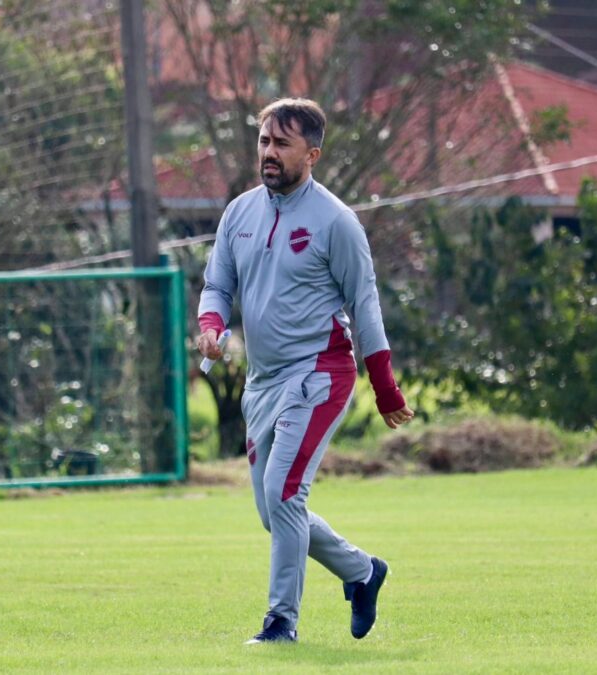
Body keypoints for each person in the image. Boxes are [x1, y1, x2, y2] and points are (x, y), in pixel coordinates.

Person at [196, 98, 414, 645]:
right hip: (262, 381)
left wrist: (385, 388)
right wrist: (212, 326)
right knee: (273, 511)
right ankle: (362, 571)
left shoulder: (336, 221)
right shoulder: (239, 212)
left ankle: (280, 623)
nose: (268, 153)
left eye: (282, 144)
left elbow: (365, 305)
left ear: (312, 155)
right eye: (264, 141)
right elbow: (218, 284)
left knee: (285, 494)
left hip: (320, 373)